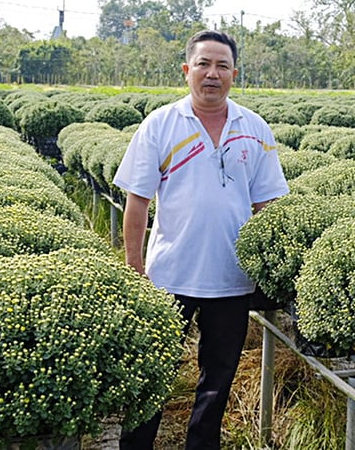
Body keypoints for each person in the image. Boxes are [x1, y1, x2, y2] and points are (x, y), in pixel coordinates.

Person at [113, 29, 289, 450]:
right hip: (167, 276)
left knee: (219, 376)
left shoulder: (254, 127)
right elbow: (136, 203)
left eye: (222, 66)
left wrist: (268, 268)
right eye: (204, 64)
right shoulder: (160, 125)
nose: (213, 74)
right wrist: (134, 269)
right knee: (151, 374)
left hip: (231, 278)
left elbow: (268, 204)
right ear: (187, 70)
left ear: (234, 73)